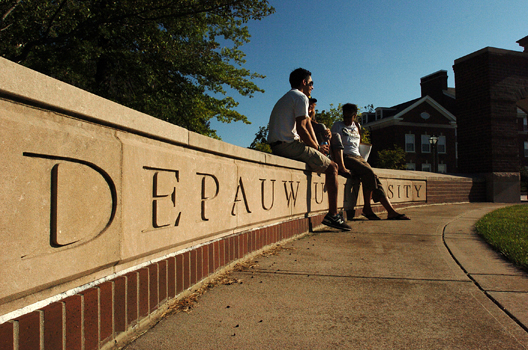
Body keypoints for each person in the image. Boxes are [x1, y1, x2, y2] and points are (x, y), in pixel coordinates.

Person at [267, 68, 351, 231]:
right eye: (311, 83)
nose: (313, 86)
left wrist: (317, 148)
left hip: (279, 144)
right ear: (304, 83)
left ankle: (333, 214)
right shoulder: (301, 97)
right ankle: (333, 215)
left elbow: (306, 124)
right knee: (333, 167)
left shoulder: (289, 97)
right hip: (288, 146)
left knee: (326, 162)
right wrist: (317, 147)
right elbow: (301, 128)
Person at [331, 103, 410, 220]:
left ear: (355, 116)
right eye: (345, 117)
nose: (347, 119)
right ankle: (387, 210)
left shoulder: (357, 126)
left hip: (359, 157)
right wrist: (340, 165)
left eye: (349, 117)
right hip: (346, 157)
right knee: (369, 173)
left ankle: (372, 208)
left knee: (372, 176)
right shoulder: (337, 126)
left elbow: (358, 143)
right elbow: (334, 145)